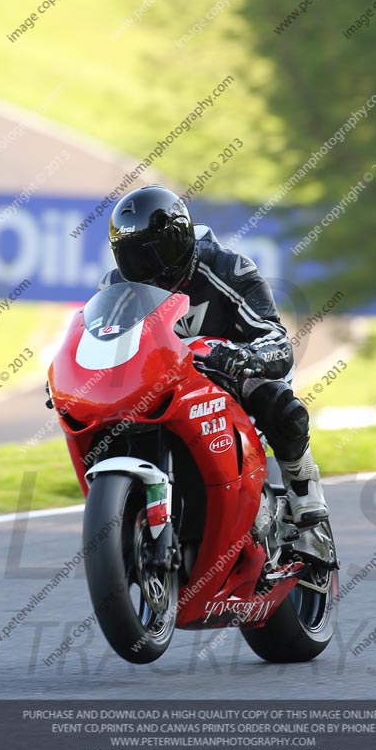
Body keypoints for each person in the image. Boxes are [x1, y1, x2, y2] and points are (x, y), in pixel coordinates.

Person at [99, 184, 329, 529]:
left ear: (178, 242)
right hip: (159, 385)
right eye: (132, 257)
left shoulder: (228, 268)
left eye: (152, 254)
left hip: (230, 377)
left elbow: (277, 341)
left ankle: (302, 484)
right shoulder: (115, 287)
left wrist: (240, 357)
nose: (145, 268)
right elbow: (97, 342)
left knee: (276, 399)